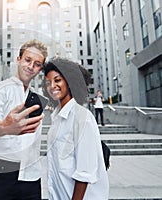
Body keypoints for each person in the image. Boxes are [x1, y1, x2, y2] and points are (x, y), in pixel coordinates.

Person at [0, 39, 48, 200]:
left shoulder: (38, 99)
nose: (31, 66)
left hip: (31, 176)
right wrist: (4, 127)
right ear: (18, 59)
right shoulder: (0, 88)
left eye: (37, 64)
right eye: (27, 60)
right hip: (0, 172)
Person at [43, 57, 109, 200]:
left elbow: (84, 172)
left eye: (57, 80)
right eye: (48, 82)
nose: (52, 86)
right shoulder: (56, 119)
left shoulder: (81, 117)